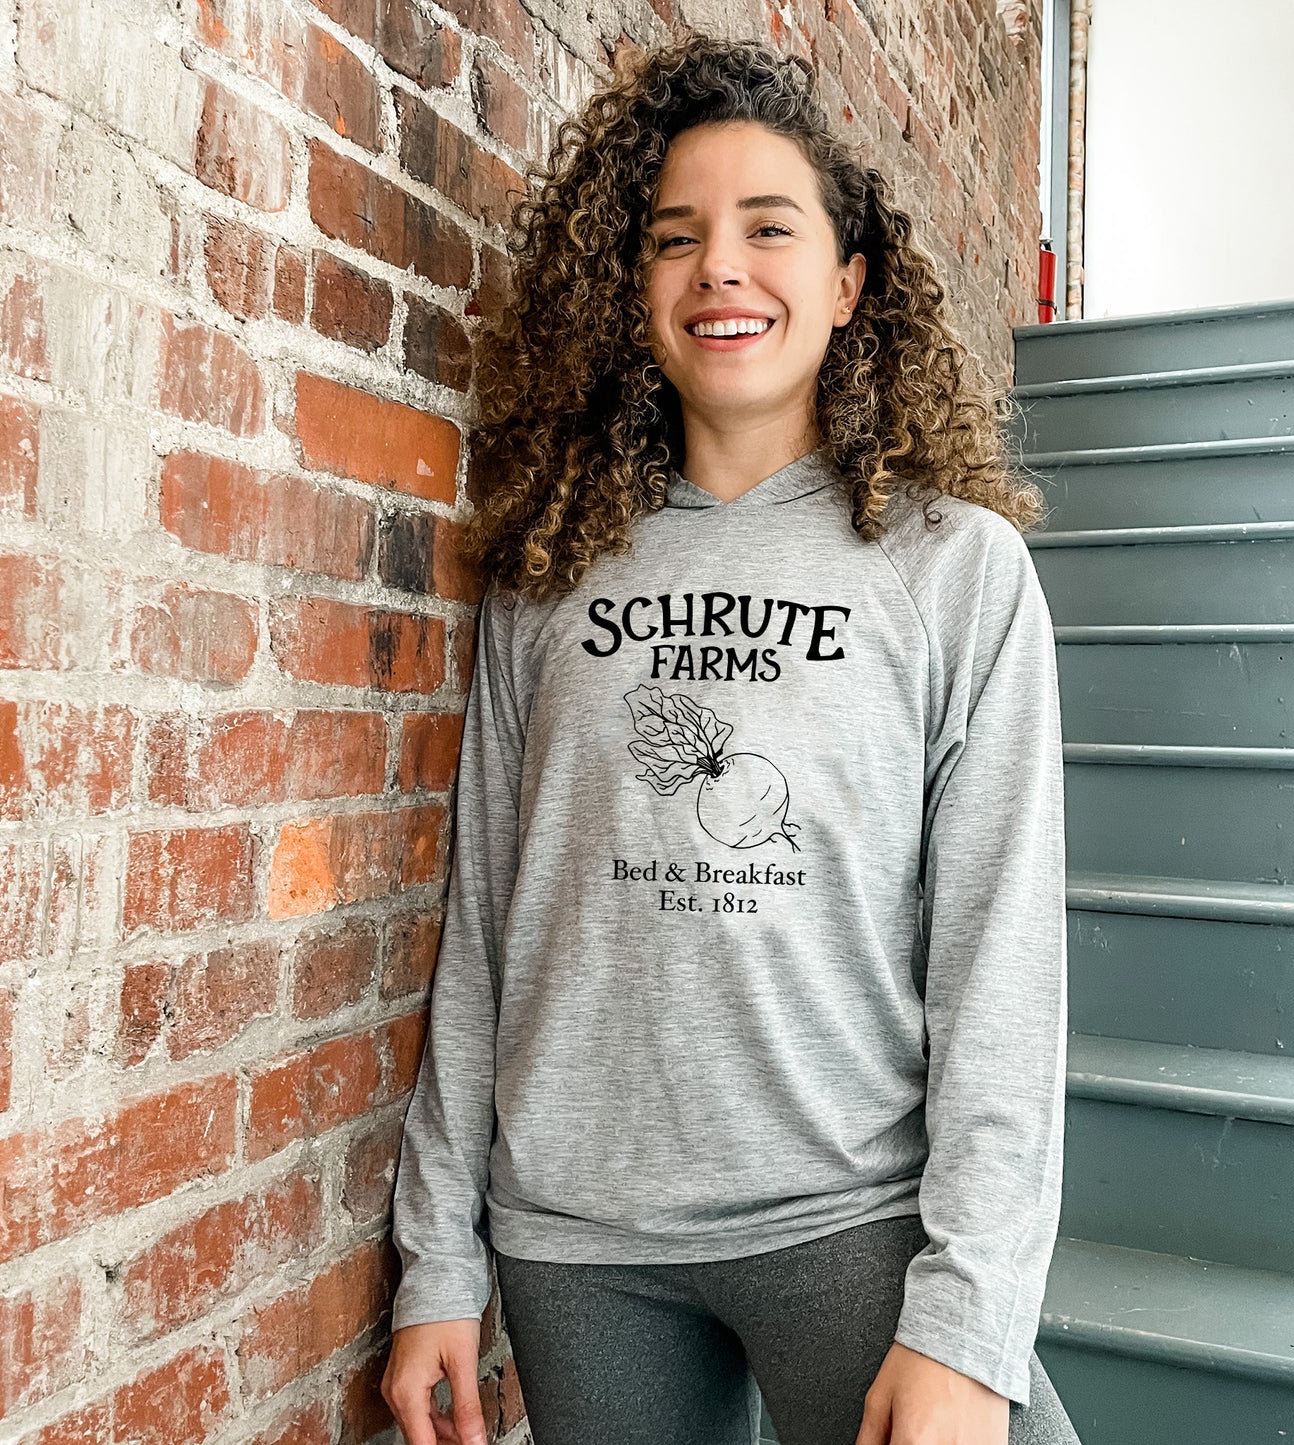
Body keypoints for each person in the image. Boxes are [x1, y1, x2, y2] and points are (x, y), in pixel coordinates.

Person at [381, 30, 1080, 1445]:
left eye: (769, 228)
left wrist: (968, 1310)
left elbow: (1002, 957)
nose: (720, 269)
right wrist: (437, 1259)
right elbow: (488, 925)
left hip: (851, 1217)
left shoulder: (953, 568)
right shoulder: (549, 573)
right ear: (632, 288)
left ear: (845, 282)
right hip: (582, 1243)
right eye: (674, 237)